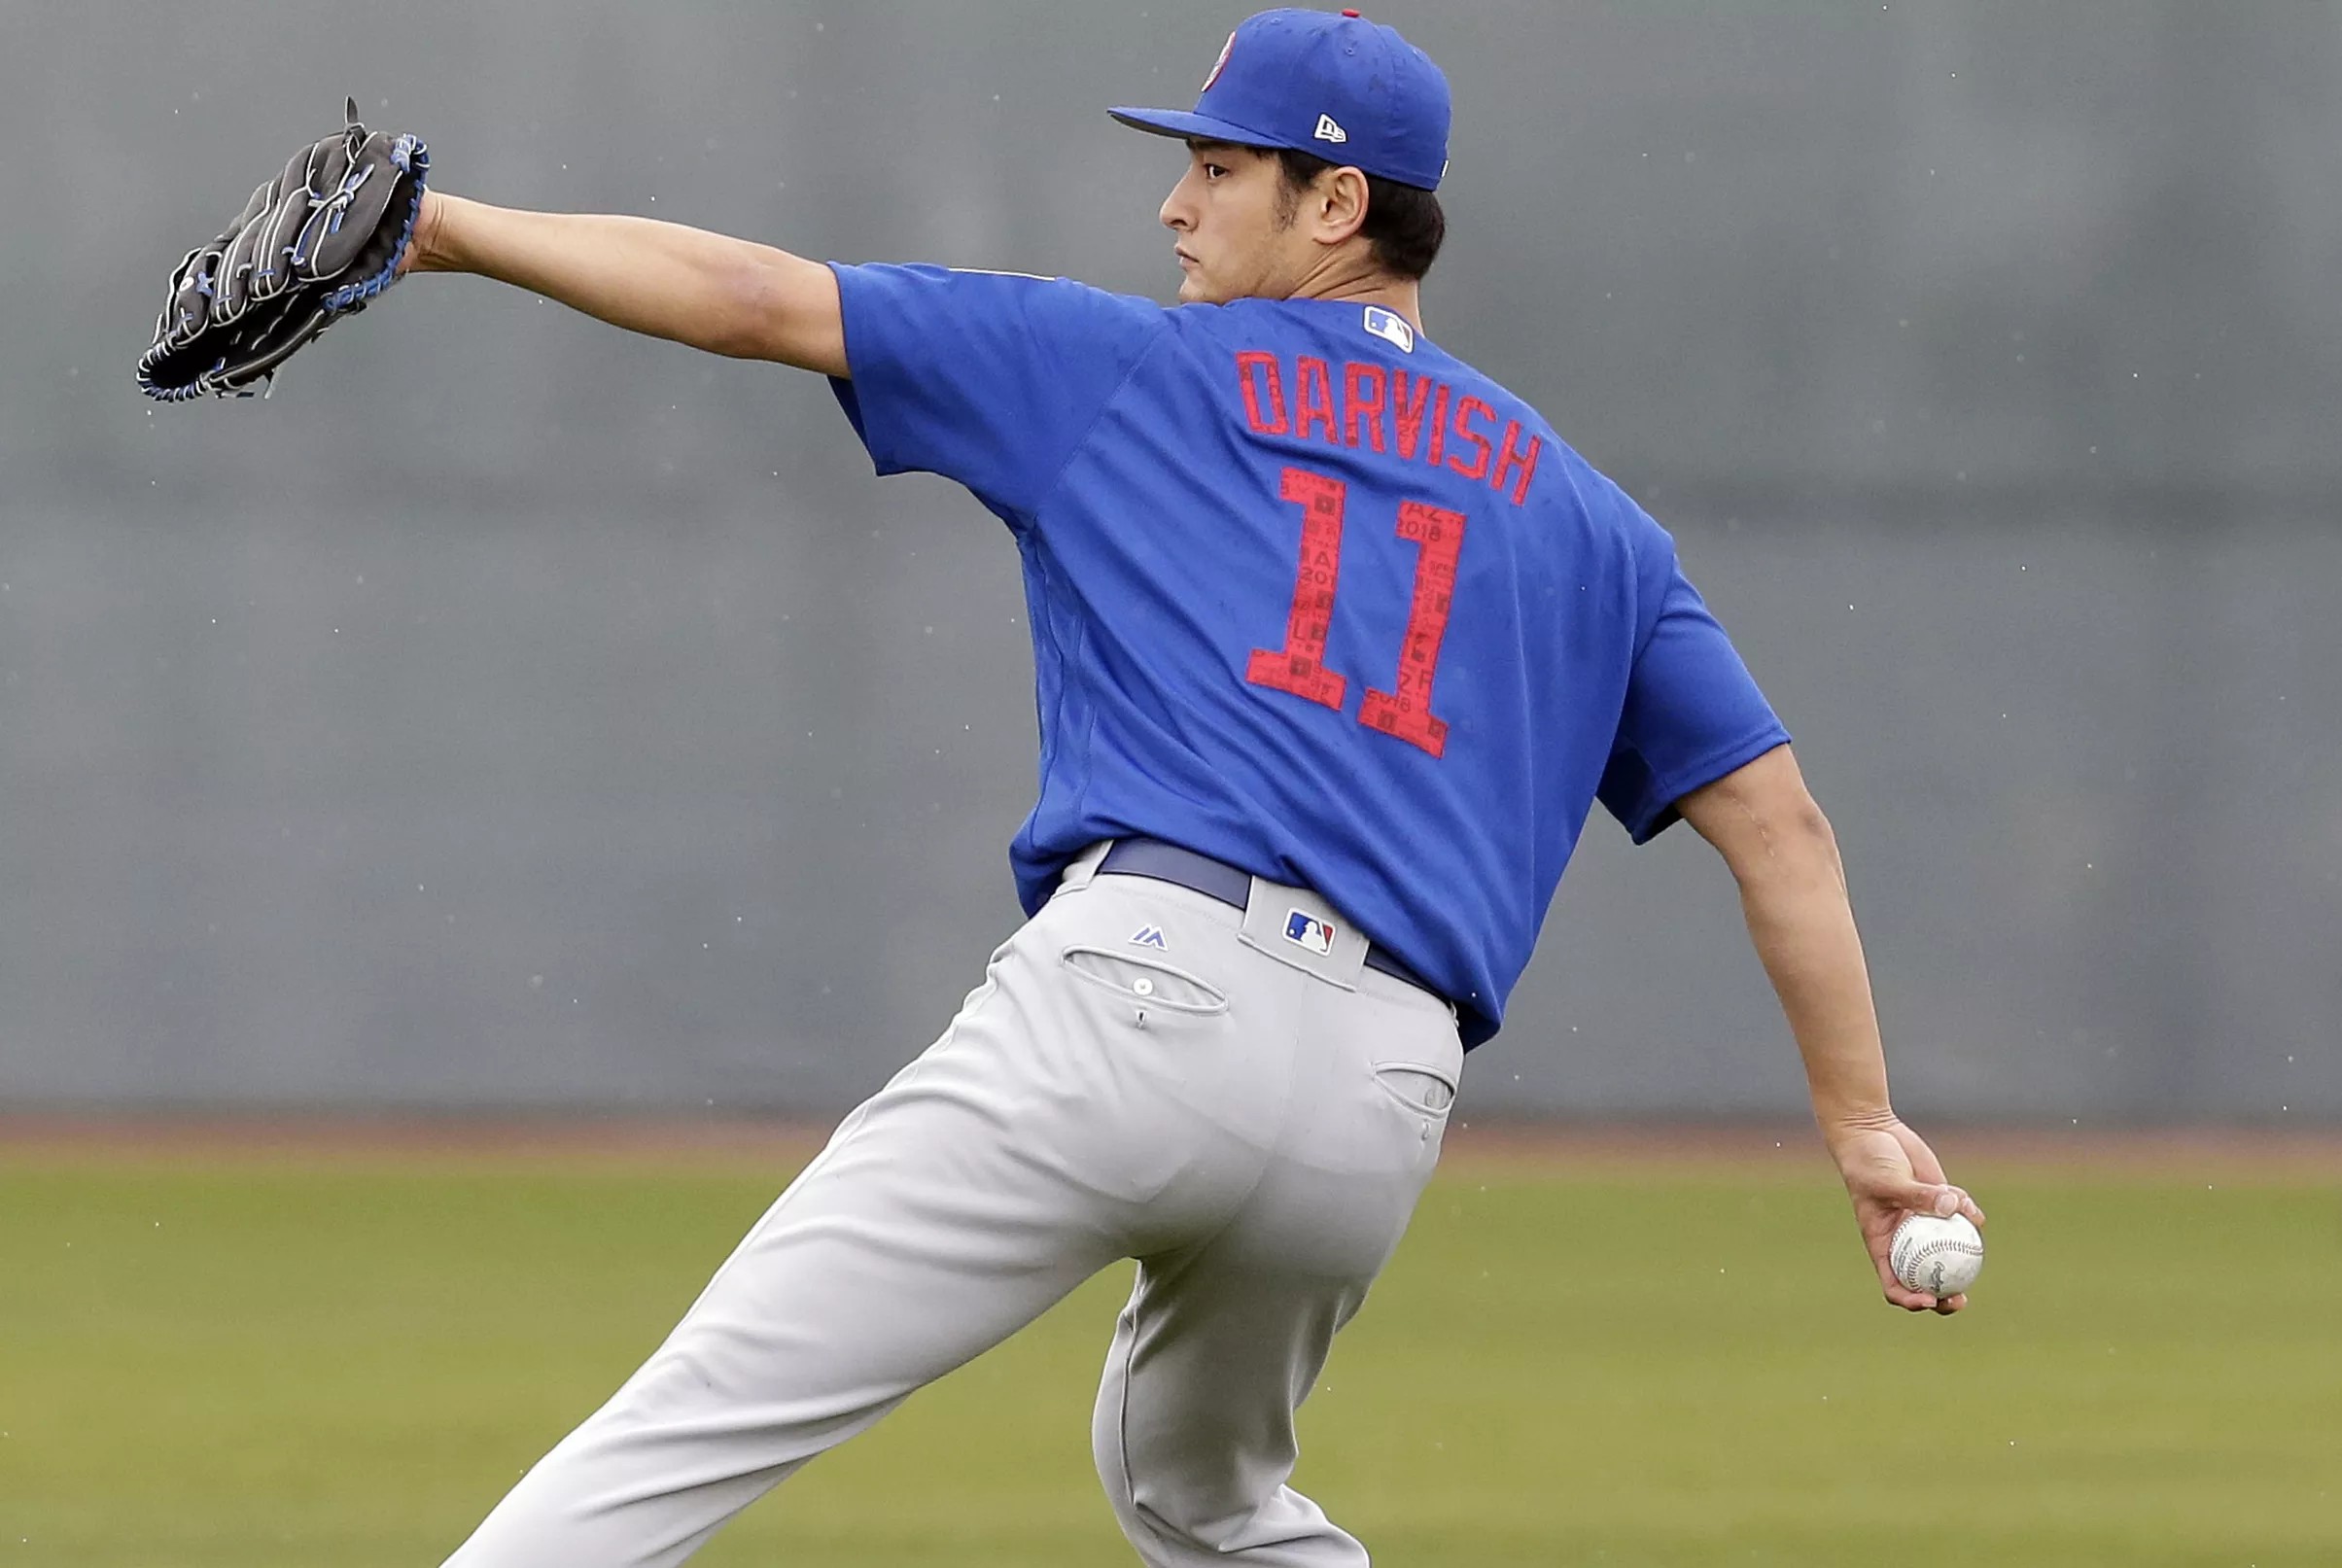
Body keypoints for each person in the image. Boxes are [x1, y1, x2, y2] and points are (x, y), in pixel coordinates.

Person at [413, 10, 1983, 1566]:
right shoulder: (1590, 520)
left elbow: (756, 300)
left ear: (1337, 201)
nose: (1176, 203)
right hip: (1379, 1103)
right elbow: (1781, 825)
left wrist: (448, 231)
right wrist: (1858, 1120)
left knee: (699, 1417)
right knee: (1204, 1496)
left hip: (1132, 1007)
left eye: (1220, 168)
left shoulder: (1124, 367)